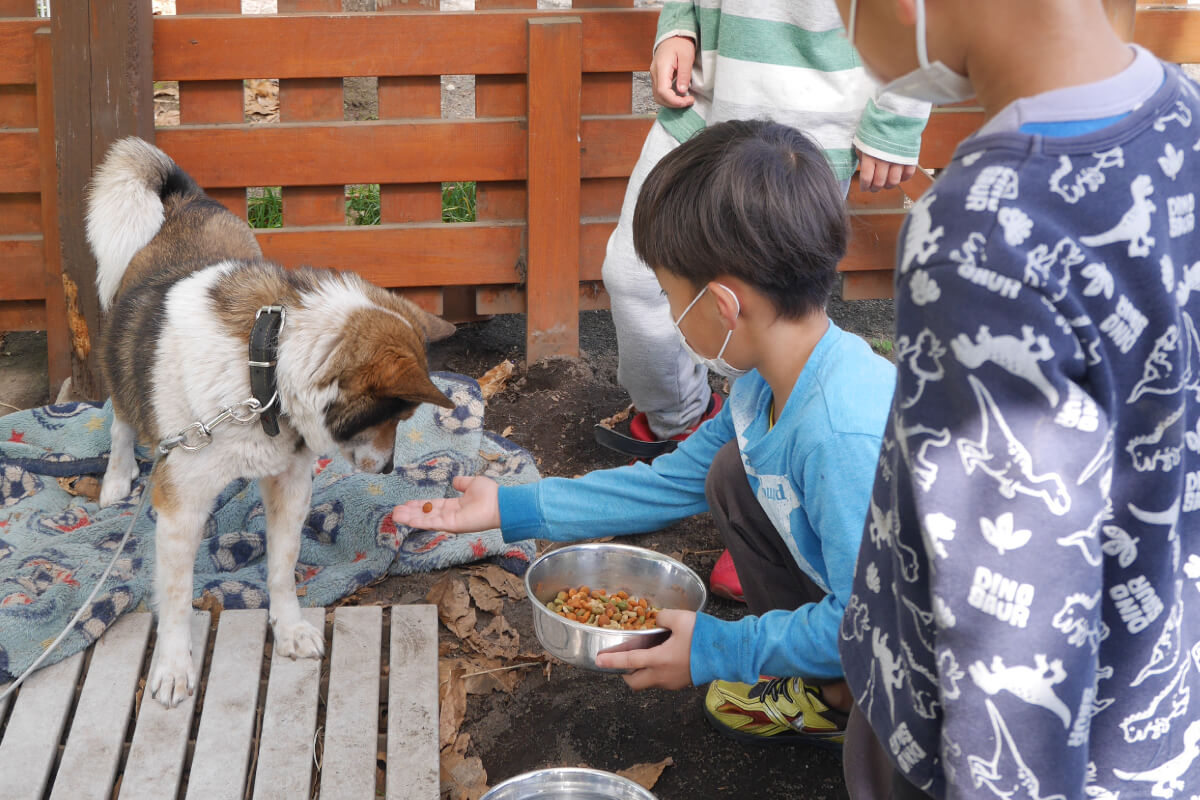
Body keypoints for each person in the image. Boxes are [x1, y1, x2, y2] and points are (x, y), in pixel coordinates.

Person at [394, 119, 897, 746]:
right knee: (730, 473)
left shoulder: (842, 434)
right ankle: (833, 692)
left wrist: (721, 648)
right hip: (873, 607)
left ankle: (870, 720)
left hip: (931, 659)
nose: (667, 315)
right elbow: (669, 484)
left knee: (887, 758)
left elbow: (875, 624)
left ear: (722, 306)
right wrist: (509, 506)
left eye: (667, 297)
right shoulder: (765, 382)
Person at [830, 0, 1200, 797]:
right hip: (1156, 703)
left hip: (970, 742)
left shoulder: (979, 228)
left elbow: (1015, 609)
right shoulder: (1184, 113)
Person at [600, 0, 929, 603]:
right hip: (708, 101)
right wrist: (679, 22)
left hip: (809, 120)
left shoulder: (846, 429)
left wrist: (897, 115)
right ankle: (693, 433)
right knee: (631, 275)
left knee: (769, 332)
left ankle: (778, 512)